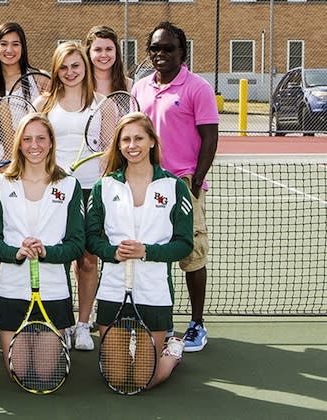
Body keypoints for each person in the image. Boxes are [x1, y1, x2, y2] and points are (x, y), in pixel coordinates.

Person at [86, 112, 193, 389]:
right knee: (118, 379)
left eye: (139, 138)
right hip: (112, 288)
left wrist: (146, 251)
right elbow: (91, 239)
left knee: (144, 380)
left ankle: (172, 352)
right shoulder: (104, 186)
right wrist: (112, 252)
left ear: (152, 142)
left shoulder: (174, 186)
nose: (132, 145)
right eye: (126, 140)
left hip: (153, 291)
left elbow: (184, 245)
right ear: (119, 146)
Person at [131, 21, 219, 352]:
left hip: (182, 183)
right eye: (155, 48)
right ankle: (161, 320)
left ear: (182, 52)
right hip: (148, 181)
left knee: (192, 254)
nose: (161, 54)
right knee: (155, 253)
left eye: (168, 48)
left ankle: (196, 324)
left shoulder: (198, 88)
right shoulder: (140, 88)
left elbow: (210, 137)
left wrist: (195, 182)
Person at [0, 113, 85, 373]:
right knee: (18, 372)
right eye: (27, 139)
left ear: (51, 142)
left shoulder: (69, 185)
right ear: (19, 143)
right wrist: (16, 253)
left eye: (41, 138)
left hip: (54, 291)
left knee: (43, 374)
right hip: (12, 290)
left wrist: (47, 252)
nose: (34, 145)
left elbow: (77, 244)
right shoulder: (0, 184)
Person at [33, 41, 102, 351]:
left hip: (90, 190)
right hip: (54, 191)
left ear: (85, 67)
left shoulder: (103, 103)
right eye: (64, 66)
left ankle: (83, 324)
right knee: (56, 259)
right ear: (56, 69)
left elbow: (110, 151)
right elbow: (33, 145)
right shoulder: (43, 103)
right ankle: (58, 320)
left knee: (87, 261)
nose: (70, 72)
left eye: (76, 65)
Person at [0, 22, 44, 101]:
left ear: (23, 48)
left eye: (15, 44)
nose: (9, 50)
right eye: (3, 44)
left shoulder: (40, 79)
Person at [84, 25, 133, 95]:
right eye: (98, 50)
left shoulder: (130, 85)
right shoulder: (79, 84)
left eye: (109, 49)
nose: (104, 55)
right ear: (89, 52)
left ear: (116, 51)